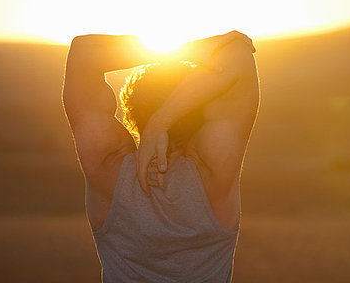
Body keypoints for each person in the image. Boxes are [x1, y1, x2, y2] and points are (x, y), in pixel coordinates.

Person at [62, 31, 260, 282]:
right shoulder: (213, 173)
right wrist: (164, 119)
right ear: (200, 110)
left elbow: (82, 53)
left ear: (131, 111)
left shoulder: (107, 167)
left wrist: (188, 50)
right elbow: (239, 55)